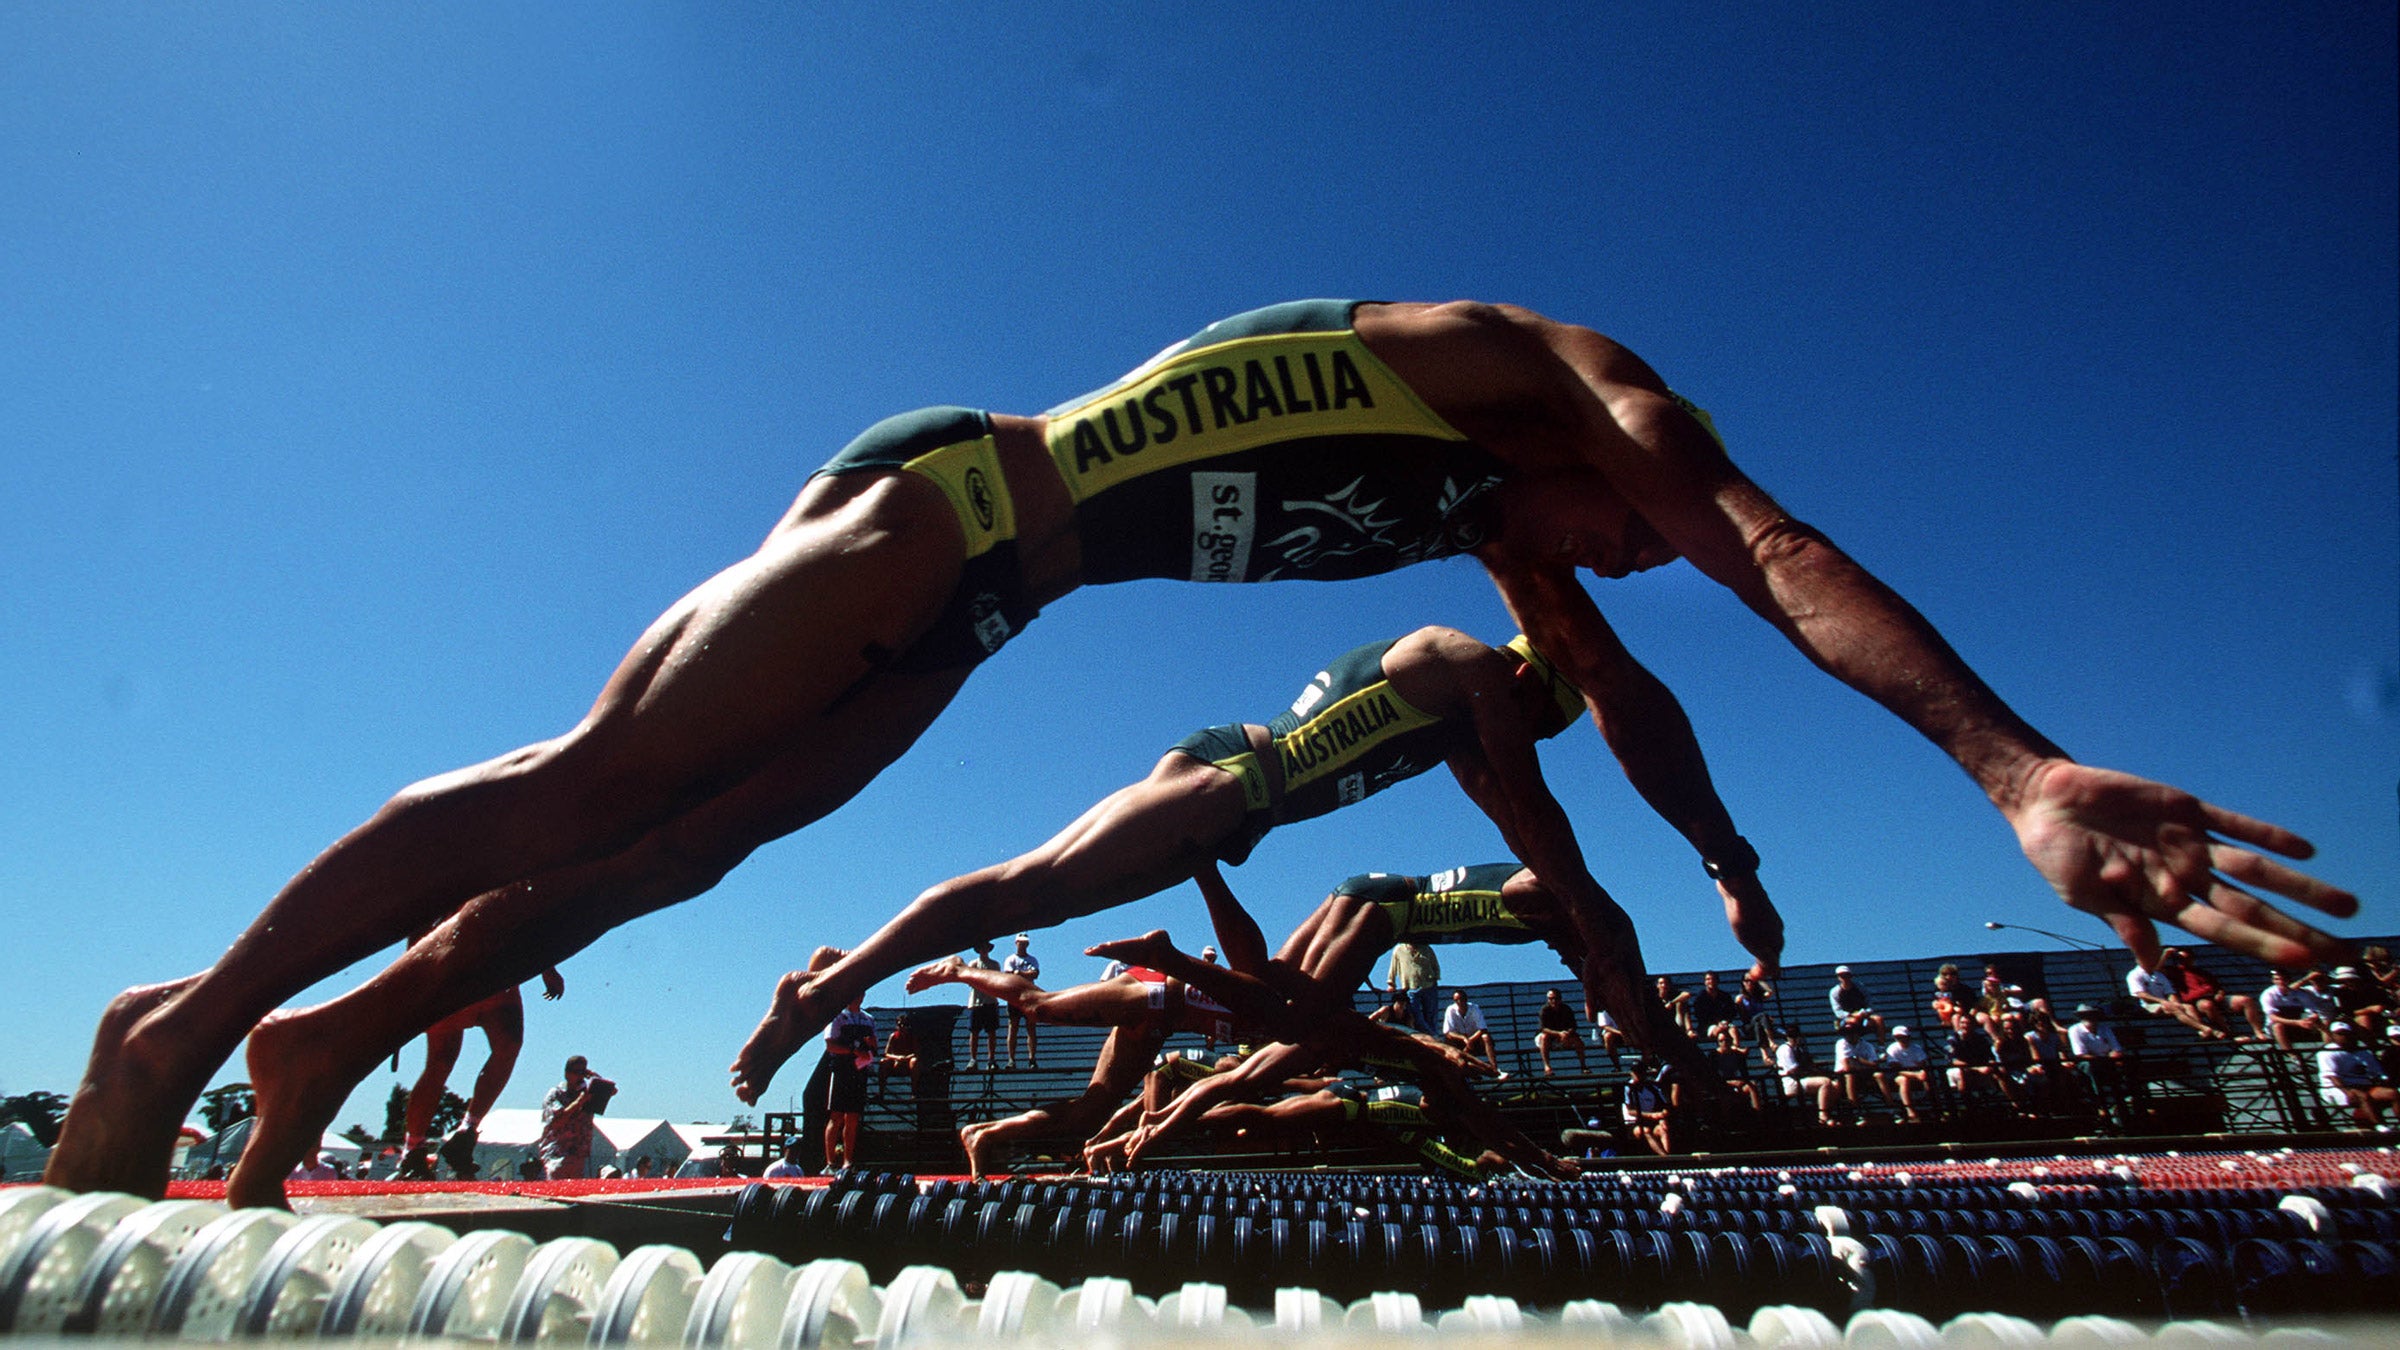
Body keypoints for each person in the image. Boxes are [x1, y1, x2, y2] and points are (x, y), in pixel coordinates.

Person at [50, 297, 2355, 1207]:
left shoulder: (1499, 532)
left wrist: (1739, 849)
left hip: (982, 599)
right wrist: (2005, 761)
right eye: (1601, 538)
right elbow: (1754, 543)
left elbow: (1643, 689)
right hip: (946, 498)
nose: (1608, 567)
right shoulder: (1541, 387)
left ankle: (324, 1045)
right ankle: (170, 1025)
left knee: (656, 865)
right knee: (593, 779)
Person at [737, 623, 1770, 1104]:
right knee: (1028, 887)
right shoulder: (1472, 672)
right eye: (1549, 724)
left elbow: (1520, 825)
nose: (1536, 741)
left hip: (1237, 792)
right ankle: (821, 988)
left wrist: (1612, 949)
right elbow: (1539, 827)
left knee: (1042, 897)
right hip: (1232, 786)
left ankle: (835, 966)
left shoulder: (1457, 717)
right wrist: (1672, 901)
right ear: (1540, 689)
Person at [402, 960, 565, 1180]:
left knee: (509, 1045)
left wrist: (548, 968)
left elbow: (529, 926)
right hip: (454, 970)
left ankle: (467, 1132)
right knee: (440, 1062)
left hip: (498, 972)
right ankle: (412, 1149)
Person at [534, 1056, 614, 1181]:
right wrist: (579, 1102)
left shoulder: (586, 1093)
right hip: (557, 1155)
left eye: (583, 1072)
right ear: (567, 1073)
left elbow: (612, 1090)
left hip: (578, 1155)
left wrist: (594, 1076)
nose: (580, 1077)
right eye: (576, 1072)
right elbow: (556, 1122)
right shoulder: (556, 1094)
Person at [820, 995, 876, 1173]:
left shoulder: (869, 1019)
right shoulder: (837, 1017)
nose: (856, 997)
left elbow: (874, 1046)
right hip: (841, 1070)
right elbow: (830, 1045)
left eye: (860, 993)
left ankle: (847, 1162)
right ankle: (830, 1163)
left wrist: (870, 1048)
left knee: (853, 1117)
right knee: (836, 1116)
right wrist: (853, 1051)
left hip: (859, 1071)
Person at [2158, 947, 2261, 1040]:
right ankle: (2229, 1034)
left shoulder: (2202, 972)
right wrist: (2166, 954)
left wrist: (2220, 993)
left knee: (2245, 1000)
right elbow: (2156, 969)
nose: (2185, 961)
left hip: (2215, 998)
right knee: (2207, 1005)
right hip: (2197, 1001)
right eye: (2182, 959)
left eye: (2188, 958)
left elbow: (2218, 987)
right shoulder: (2176, 972)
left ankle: (2258, 1032)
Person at [2315, 1023, 2397, 1128]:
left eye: (2346, 1034)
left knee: (2393, 1093)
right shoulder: (2327, 1052)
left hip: (2365, 1085)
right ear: (2333, 1035)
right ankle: (2380, 1128)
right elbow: (2332, 1076)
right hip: (2336, 1088)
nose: (2344, 1036)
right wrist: (2346, 1091)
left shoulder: (2364, 1052)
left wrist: (2384, 1083)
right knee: (2362, 1096)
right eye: (2339, 1034)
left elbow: (2378, 1074)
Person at [2125, 961, 2218, 1038]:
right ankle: (2205, 1028)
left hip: (2165, 1003)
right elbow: (2141, 994)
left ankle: (2202, 1031)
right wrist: (2163, 1001)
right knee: (2174, 1008)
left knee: (2188, 1007)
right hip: (2147, 1006)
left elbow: (2170, 992)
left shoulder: (2159, 975)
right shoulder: (2134, 975)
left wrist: (2175, 1002)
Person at [2261, 968, 2334, 1051]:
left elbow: (2313, 1010)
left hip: (2297, 1026)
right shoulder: (2268, 994)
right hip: (2276, 1029)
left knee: (2321, 1022)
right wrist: (2297, 1022)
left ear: (2289, 980)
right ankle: (2292, 1055)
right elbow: (2273, 1018)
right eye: (2277, 979)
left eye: (2283, 979)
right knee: (2278, 1026)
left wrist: (2311, 1019)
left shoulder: (2299, 993)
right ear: (2273, 981)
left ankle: (2331, 1049)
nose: (2281, 982)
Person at [1000, 934, 1042, 1067]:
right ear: (1016, 943)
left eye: (1025, 943)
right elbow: (1009, 975)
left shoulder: (1032, 959)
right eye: (1020, 943)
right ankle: (1011, 1059)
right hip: (1014, 996)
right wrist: (1025, 973)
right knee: (1013, 1026)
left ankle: (1032, 1058)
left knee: (1031, 1027)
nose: (1023, 945)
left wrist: (1019, 973)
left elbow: (1035, 973)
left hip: (1030, 996)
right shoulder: (1010, 959)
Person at [1620, 1060, 1675, 1156]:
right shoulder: (1627, 1088)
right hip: (1633, 1123)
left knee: (1663, 1129)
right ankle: (1665, 1157)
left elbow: (1665, 1105)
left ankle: (1667, 1157)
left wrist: (1663, 1115)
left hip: (1651, 1122)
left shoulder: (1652, 1087)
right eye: (1636, 1072)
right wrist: (1651, 1115)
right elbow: (1630, 1111)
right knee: (1646, 1131)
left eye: (1641, 1072)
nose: (1638, 1075)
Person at [961, 941, 1001, 1069]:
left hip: (990, 1001)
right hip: (976, 1002)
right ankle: (973, 1059)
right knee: (974, 1031)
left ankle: (991, 1059)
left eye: (985, 948)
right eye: (981, 948)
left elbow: (997, 981)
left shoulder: (994, 965)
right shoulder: (973, 964)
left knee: (991, 1031)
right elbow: (970, 981)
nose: (984, 950)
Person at [1387, 942, 1442, 1034]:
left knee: (1431, 1015)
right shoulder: (1399, 949)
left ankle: (1434, 1035)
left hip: (1428, 985)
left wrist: (1436, 976)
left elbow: (1434, 963)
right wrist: (1391, 983)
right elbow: (1393, 967)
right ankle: (1430, 1035)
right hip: (1410, 987)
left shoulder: (1426, 948)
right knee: (1415, 1015)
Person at [1442, 989, 1500, 1074]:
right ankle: (1455, 1068)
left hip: (1476, 1042)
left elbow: (1483, 1029)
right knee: (1448, 1041)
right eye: (1456, 1000)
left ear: (1466, 999)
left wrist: (1471, 1040)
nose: (1459, 1002)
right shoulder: (1450, 1010)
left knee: (1486, 1037)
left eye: (1461, 999)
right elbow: (1447, 1032)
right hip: (1460, 1043)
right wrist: (1464, 1039)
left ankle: (1494, 1067)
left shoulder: (1475, 1008)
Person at [1882, 1026, 1931, 1123]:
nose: (1900, 1039)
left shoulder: (1916, 1048)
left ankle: (1933, 1106)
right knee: (1903, 1080)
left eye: (1902, 1036)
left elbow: (1922, 1064)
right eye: (1897, 1037)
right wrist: (1915, 1074)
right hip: (1897, 1075)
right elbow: (1896, 1069)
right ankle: (1910, 1111)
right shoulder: (1892, 1048)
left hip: (1915, 1072)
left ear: (1908, 1036)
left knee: (1927, 1077)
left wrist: (1922, 1072)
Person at [1533, 988, 1588, 1074]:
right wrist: (1559, 1034)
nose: (1553, 1001)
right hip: (1548, 1036)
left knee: (1578, 1040)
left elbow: (1573, 1026)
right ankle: (1547, 1067)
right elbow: (1543, 1028)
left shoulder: (1566, 1009)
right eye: (1550, 999)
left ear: (1560, 998)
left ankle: (1584, 1066)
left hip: (1564, 1036)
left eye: (1555, 998)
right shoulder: (1544, 1010)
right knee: (1544, 1037)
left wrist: (1568, 1033)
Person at [1828, 966, 1883, 1035]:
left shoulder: (1860, 987)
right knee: (1853, 1022)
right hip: (1846, 1018)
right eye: (1842, 976)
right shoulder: (1834, 992)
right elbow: (1838, 1011)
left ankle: (1881, 1045)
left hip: (1863, 1015)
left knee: (1878, 1019)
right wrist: (1852, 1015)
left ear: (1850, 976)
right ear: (1838, 977)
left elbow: (1870, 1003)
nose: (1845, 978)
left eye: (1846, 975)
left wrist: (1865, 1012)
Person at [1686, 970, 1739, 1043]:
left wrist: (1725, 1022)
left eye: (1713, 979)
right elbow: (1700, 1016)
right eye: (1708, 979)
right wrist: (1717, 1024)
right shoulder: (1700, 998)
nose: (1711, 981)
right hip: (1707, 1027)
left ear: (1717, 981)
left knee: (1733, 1029)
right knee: (1721, 1034)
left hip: (1724, 1024)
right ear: (1705, 982)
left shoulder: (1725, 996)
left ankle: (1736, 1047)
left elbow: (1731, 1012)